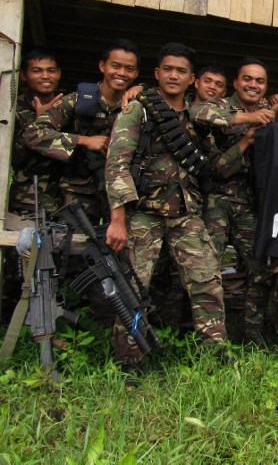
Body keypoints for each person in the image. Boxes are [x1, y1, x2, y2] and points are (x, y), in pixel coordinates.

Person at [104, 43, 237, 374]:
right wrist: (117, 219)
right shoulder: (139, 110)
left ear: (191, 79)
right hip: (143, 214)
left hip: (185, 214)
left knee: (207, 280)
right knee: (134, 287)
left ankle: (215, 353)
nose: (173, 76)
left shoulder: (196, 116)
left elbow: (209, 164)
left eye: (181, 71)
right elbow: (116, 163)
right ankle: (129, 361)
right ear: (157, 74)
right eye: (168, 69)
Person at [190, 57, 278, 348]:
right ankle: (198, 338)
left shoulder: (269, 111)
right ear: (237, 83)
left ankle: (253, 336)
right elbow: (216, 168)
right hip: (215, 201)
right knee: (205, 272)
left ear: (265, 88)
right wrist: (248, 137)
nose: (253, 85)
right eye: (248, 79)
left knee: (262, 268)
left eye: (260, 81)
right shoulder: (217, 106)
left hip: (251, 206)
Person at [24, 39, 141, 223]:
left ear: (136, 73)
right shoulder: (77, 100)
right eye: (116, 66)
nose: (121, 73)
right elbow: (33, 134)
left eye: (129, 69)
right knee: (74, 248)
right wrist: (84, 140)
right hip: (78, 195)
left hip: (120, 197)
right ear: (103, 66)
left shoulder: (138, 107)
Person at [9, 48, 64, 218]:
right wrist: (38, 124)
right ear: (23, 75)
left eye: (51, 70)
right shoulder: (12, 109)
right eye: (37, 71)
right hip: (26, 202)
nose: (45, 76)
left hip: (66, 203)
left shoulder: (69, 106)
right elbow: (14, 157)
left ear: (59, 74)